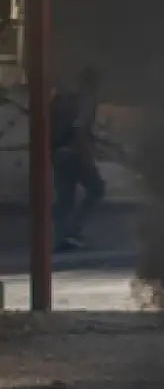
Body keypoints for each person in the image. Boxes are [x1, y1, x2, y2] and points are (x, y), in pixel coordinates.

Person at [49, 67, 106, 252]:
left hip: (57, 153)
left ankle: (61, 237)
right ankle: (73, 229)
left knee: (65, 198)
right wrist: (87, 154)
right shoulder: (86, 101)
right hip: (74, 154)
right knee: (97, 189)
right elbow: (79, 129)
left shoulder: (62, 100)